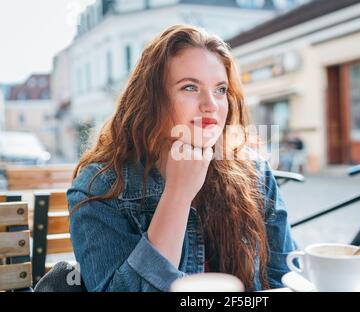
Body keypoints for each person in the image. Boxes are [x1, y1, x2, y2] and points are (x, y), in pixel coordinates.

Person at [67, 25, 297, 292]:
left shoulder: (255, 172)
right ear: (150, 100)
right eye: (190, 87)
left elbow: (286, 279)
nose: (211, 104)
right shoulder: (101, 187)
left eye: (221, 90)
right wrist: (177, 195)